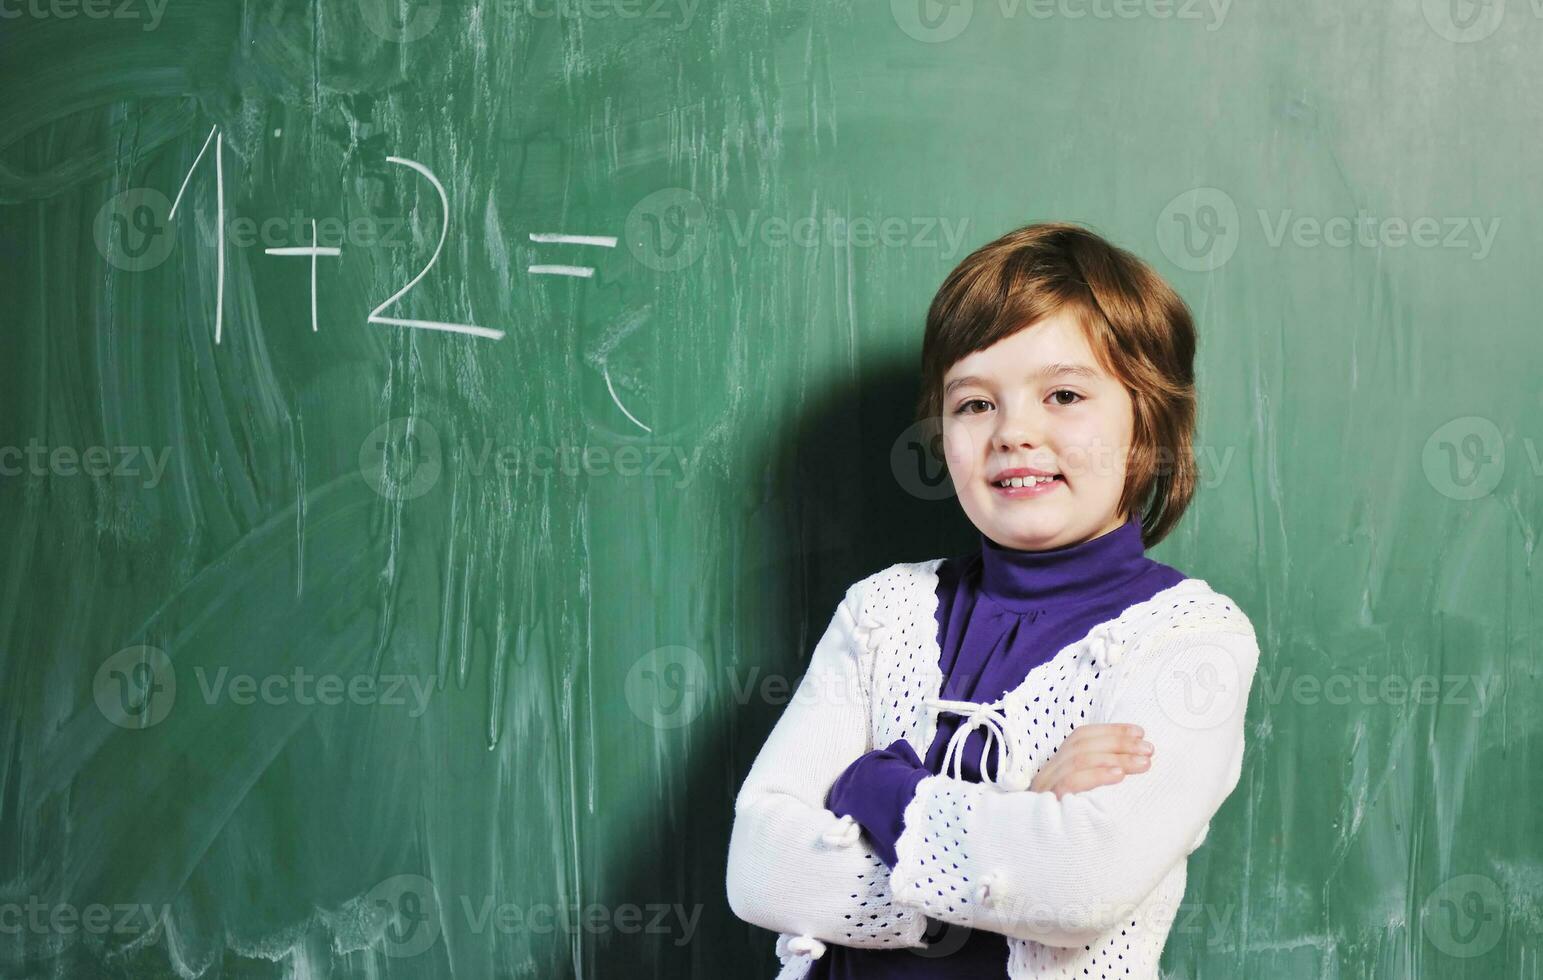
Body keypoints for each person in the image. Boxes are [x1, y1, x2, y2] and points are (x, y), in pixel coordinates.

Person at [725, 223, 1262, 979]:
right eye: (974, 404)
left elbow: (1078, 888)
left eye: (1064, 395)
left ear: (1148, 417)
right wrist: (1021, 814)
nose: (1013, 432)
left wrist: (871, 783)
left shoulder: (1188, 638)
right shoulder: (882, 611)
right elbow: (760, 871)